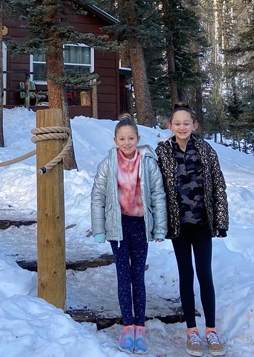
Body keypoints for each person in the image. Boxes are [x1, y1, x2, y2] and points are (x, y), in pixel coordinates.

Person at [155, 103, 228, 357]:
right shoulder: (162, 152)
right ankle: (191, 330)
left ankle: (210, 329)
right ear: (170, 126)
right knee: (185, 274)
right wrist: (158, 223)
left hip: (202, 223)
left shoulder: (206, 151)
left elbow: (218, 185)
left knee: (204, 273)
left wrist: (220, 220)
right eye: (177, 123)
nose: (182, 127)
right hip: (179, 225)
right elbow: (156, 188)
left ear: (194, 126)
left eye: (186, 123)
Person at [91, 114, 167, 354]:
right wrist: (100, 229)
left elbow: (158, 194)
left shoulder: (147, 162)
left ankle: (140, 328)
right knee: (123, 275)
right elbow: (98, 196)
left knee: (138, 276)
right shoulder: (108, 164)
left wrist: (160, 227)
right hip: (118, 225)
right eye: (122, 138)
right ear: (115, 140)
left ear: (138, 138)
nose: (127, 143)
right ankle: (127, 327)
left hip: (140, 224)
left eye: (131, 138)